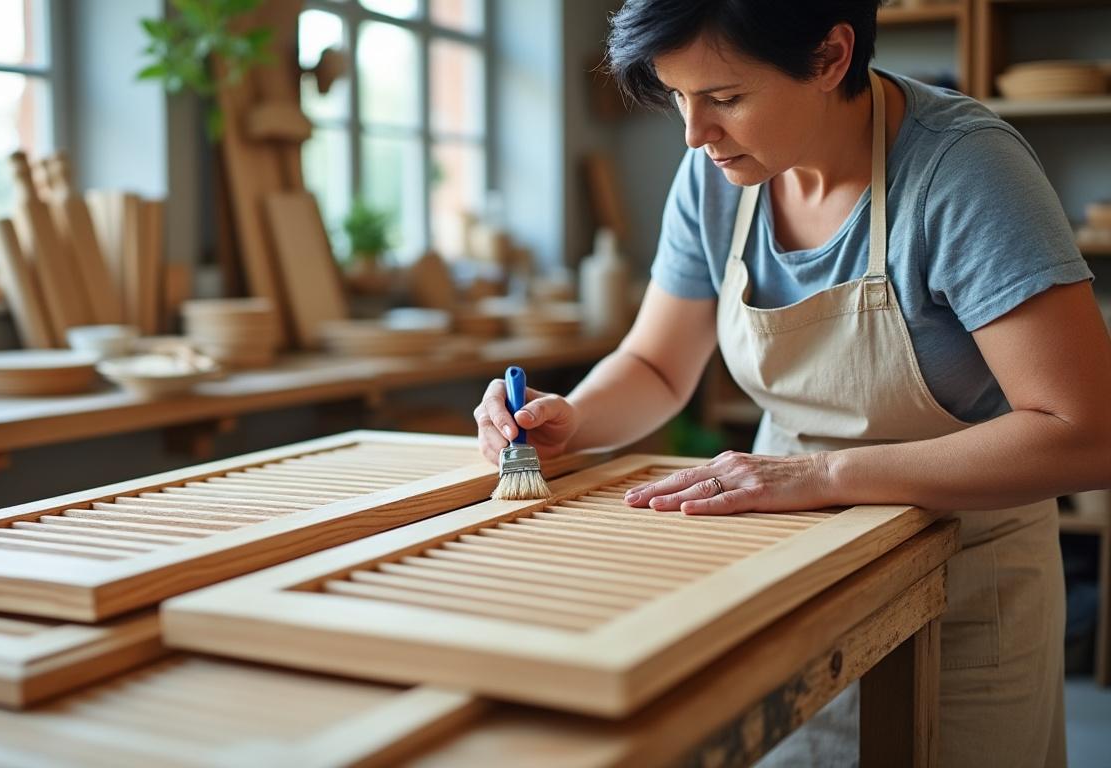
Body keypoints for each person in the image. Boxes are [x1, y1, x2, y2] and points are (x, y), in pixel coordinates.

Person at [473, 1, 1111, 764]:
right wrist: (572, 415)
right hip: (785, 565)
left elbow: (1086, 432)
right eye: (679, 97)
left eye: (726, 98)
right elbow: (656, 363)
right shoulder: (715, 175)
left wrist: (823, 473)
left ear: (829, 57)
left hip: (962, 579)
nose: (693, 134)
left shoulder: (964, 170)